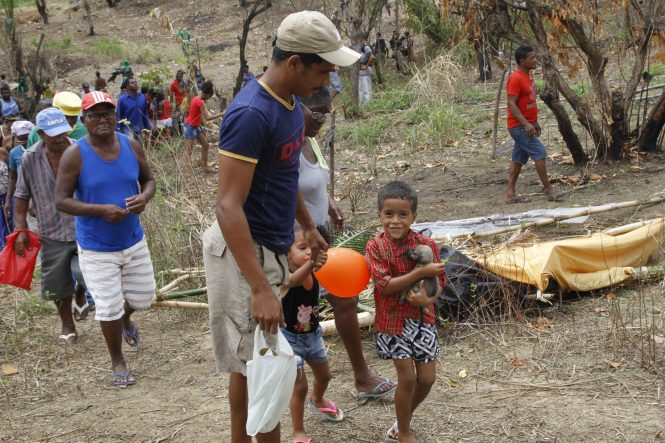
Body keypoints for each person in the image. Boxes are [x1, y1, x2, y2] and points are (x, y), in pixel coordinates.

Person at [202, 10, 359, 443]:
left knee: (255, 362)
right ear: (294, 63)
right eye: (323, 70)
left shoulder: (290, 106)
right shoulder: (252, 114)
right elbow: (227, 206)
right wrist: (259, 287)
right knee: (262, 363)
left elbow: (284, 175)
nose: (328, 80)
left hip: (266, 247)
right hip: (241, 250)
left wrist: (307, 226)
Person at [299, 88, 397, 399]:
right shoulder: (283, 146)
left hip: (319, 240)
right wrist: (305, 232)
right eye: (316, 111)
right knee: (299, 315)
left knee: (345, 300)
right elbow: (283, 191)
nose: (321, 118)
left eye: (326, 112)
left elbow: (313, 182)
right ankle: (303, 388)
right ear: (296, 105)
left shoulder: (312, 140)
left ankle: (361, 377)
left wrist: (329, 203)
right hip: (296, 246)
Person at [55, 91, 157, 386]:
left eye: (108, 113)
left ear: (115, 115)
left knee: (144, 296)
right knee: (108, 306)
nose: (103, 120)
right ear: (84, 120)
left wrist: (144, 198)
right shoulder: (75, 154)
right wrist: (100, 210)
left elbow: (149, 180)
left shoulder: (130, 144)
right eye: (95, 115)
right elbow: (61, 200)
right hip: (96, 247)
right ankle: (118, 361)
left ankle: (125, 318)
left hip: (133, 239)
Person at [365, 180, 446, 443]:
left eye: (403, 214)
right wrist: (420, 272)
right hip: (393, 322)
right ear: (379, 215)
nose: (395, 221)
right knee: (408, 379)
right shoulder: (376, 247)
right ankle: (404, 433)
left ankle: (403, 419)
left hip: (423, 320)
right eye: (389, 214)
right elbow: (385, 285)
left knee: (427, 379)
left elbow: (440, 282)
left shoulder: (426, 245)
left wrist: (428, 298)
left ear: (414, 217)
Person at [13, 108, 90, 343]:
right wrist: (20, 229)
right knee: (57, 282)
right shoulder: (29, 158)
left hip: (84, 226)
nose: (60, 138)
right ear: (41, 134)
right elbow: (21, 195)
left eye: (63, 132)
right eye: (53, 134)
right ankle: (68, 325)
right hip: (51, 229)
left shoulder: (81, 149)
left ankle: (81, 291)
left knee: (88, 274)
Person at [280, 225, 343, 443]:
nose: (309, 252)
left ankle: (317, 400)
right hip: (289, 339)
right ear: (287, 254)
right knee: (299, 386)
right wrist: (312, 263)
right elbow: (294, 281)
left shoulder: (314, 272)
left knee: (324, 375)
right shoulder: (284, 277)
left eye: (312, 248)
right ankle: (298, 431)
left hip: (313, 335)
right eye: (302, 248)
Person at [505, 45, 561, 203]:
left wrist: (534, 122)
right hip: (518, 126)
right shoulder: (515, 78)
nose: (535, 60)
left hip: (525, 125)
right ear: (522, 61)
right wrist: (526, 124)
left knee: (518, 159)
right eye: (532, 58)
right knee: (540, 153)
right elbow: (511, 104)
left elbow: (528, 103)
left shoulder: (528, 77)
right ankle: (548, 189)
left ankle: (510, 194)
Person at [184, 80, 222, 173]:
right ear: (207, 94)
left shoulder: (196, 98)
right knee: (189, 150)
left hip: (195, 126)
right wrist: (221, 114)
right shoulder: (199, 102)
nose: (208, 98)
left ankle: (205, 167)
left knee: (206, 145)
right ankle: (189, 172)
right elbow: (207, 118)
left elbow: (202, 114)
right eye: (209, 96)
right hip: (190, 127)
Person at [4, 120, 34, 222]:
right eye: (21, 137)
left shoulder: (39, 149)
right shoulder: (14, 153)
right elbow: (12, 177)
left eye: (26, 136)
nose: (24, 139)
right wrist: (8, 200)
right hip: (23, 195)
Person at [116, 78, 151, 144]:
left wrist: (148, 127)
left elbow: (145, 114)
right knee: (130, 149)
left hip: (140, 131)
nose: (135, 84)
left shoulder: (142, 97)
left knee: (139, 148)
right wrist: (118, 133)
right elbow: (119, 116)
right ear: (127, 86)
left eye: (135, 82)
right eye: (132, 83)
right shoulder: (122, 99)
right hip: (127, 131)